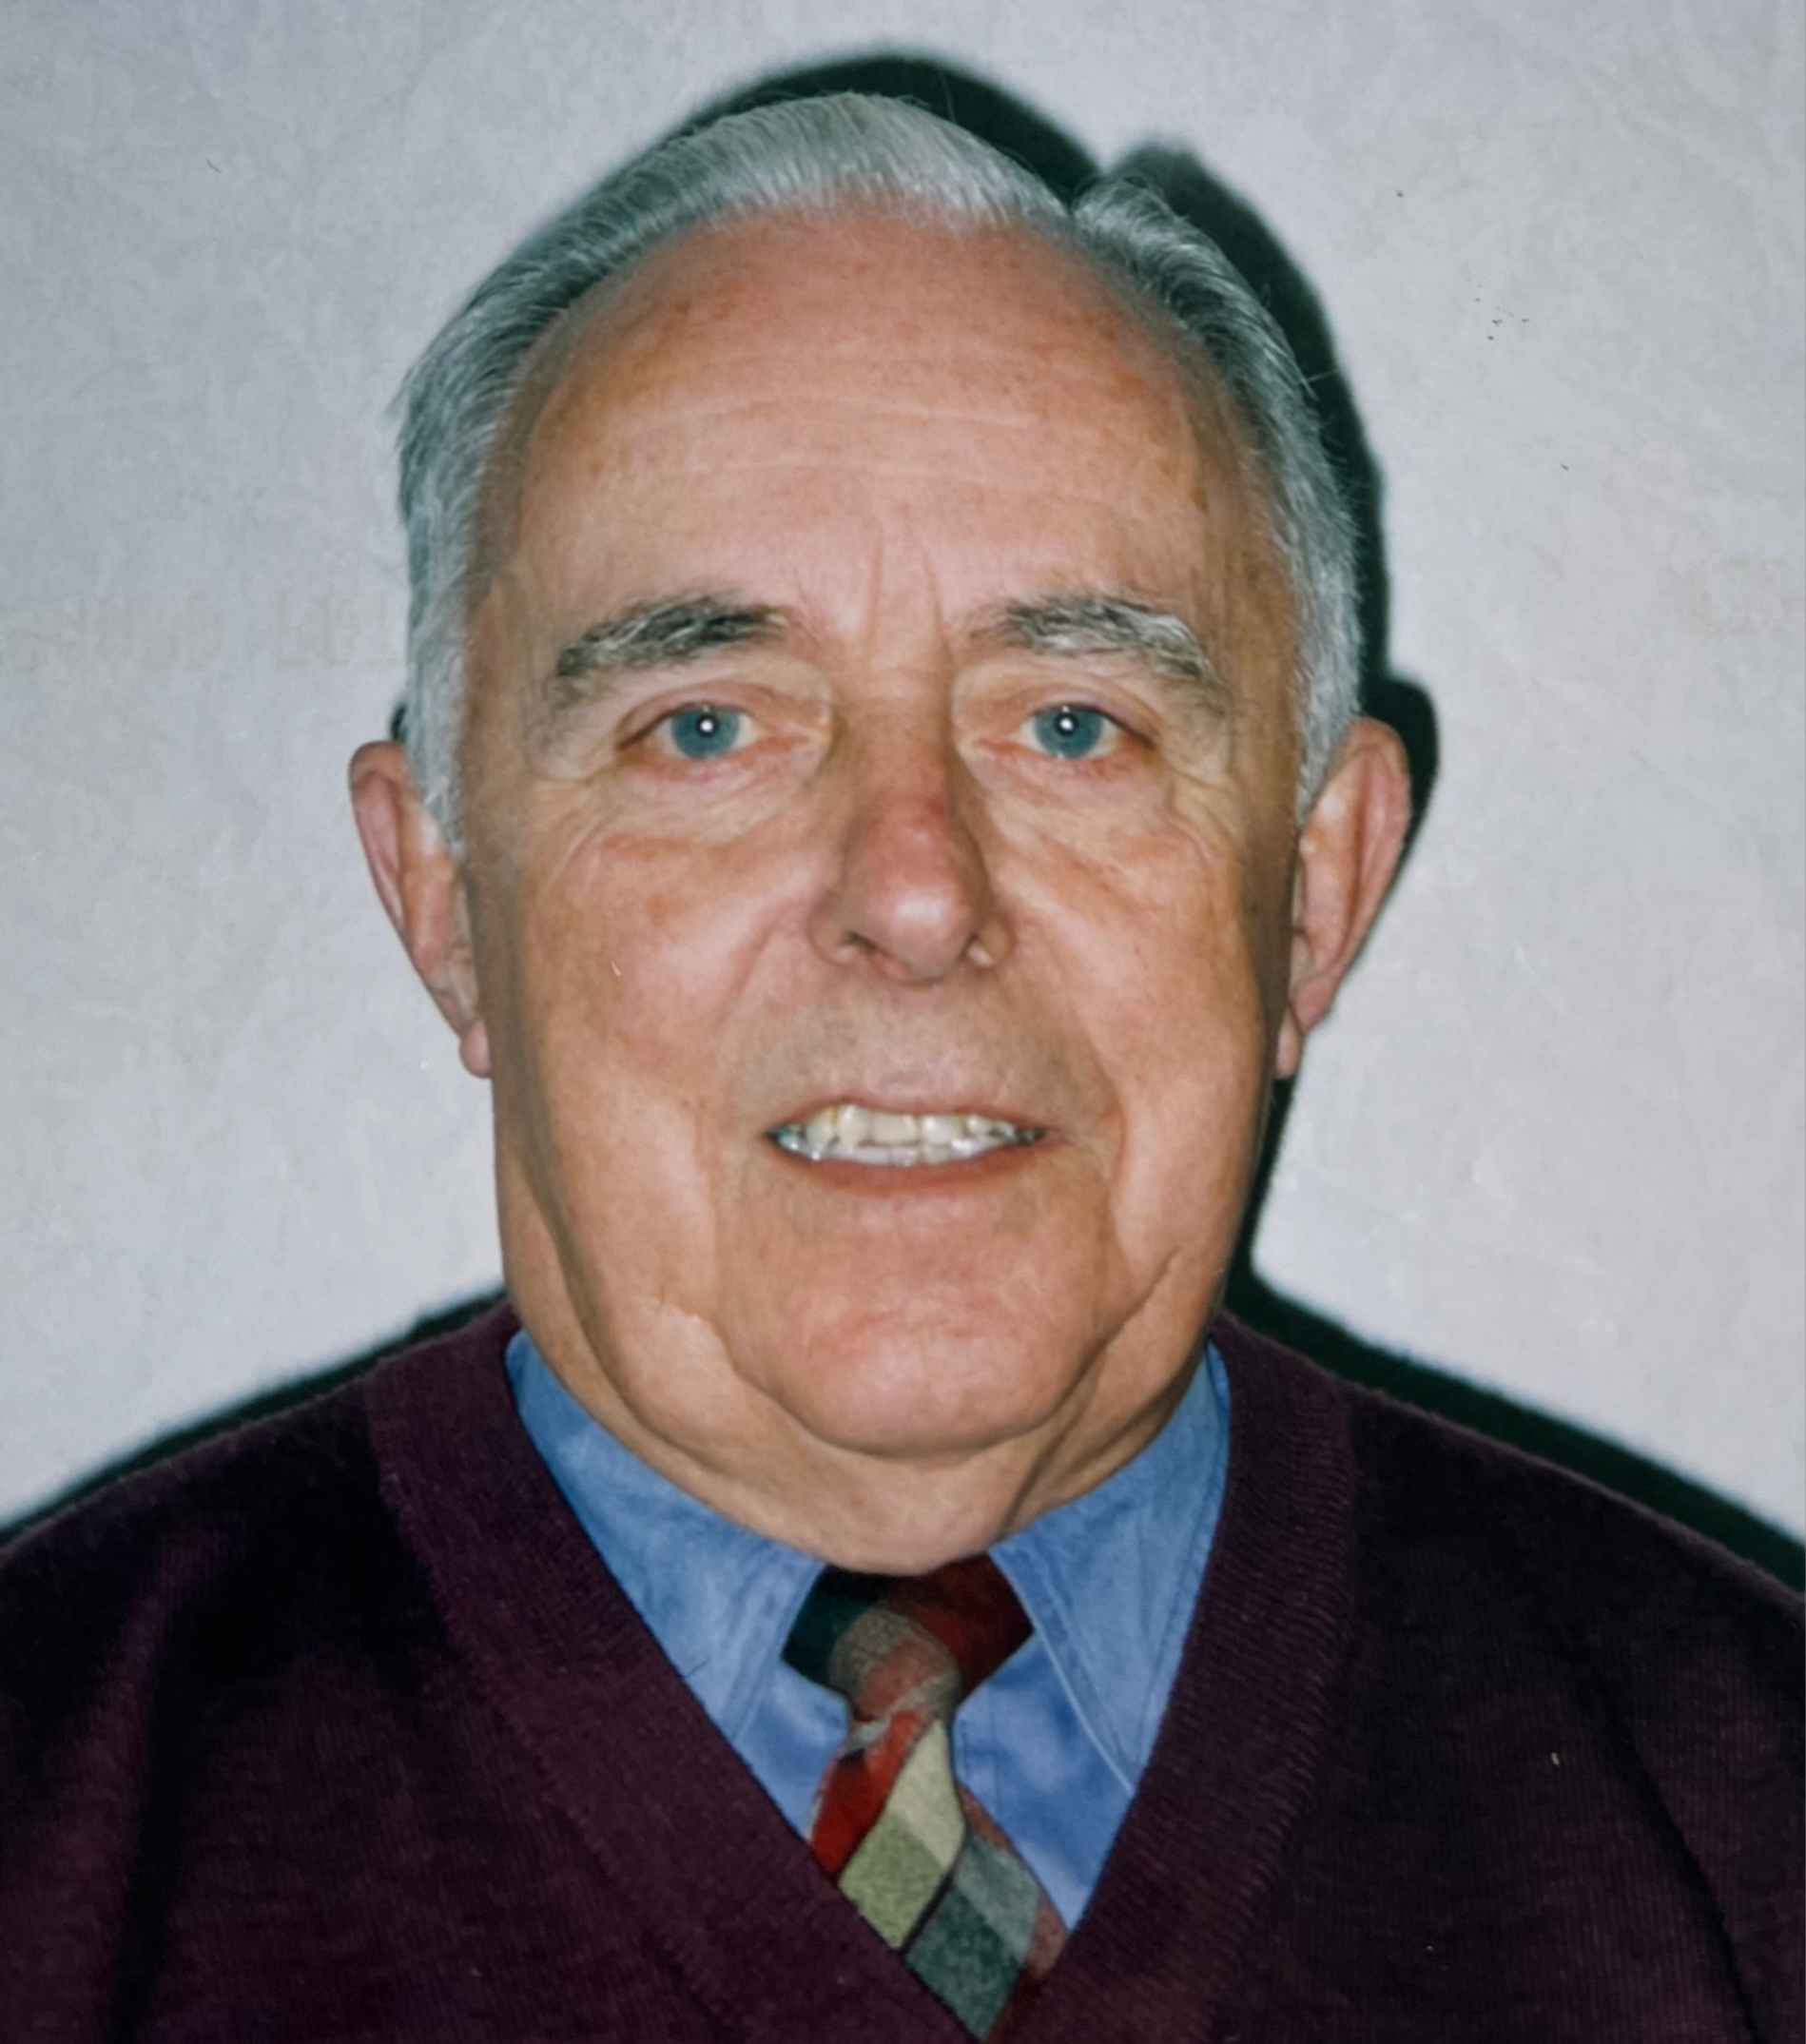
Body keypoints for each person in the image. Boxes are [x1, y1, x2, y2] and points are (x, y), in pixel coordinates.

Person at [2, 93, 1799, 2042]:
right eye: (706, 728)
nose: (917, 894)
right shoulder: (46, 1817)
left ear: (1313, 893)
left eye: (1074, 725)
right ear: (445, 904)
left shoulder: (1746, 1816)